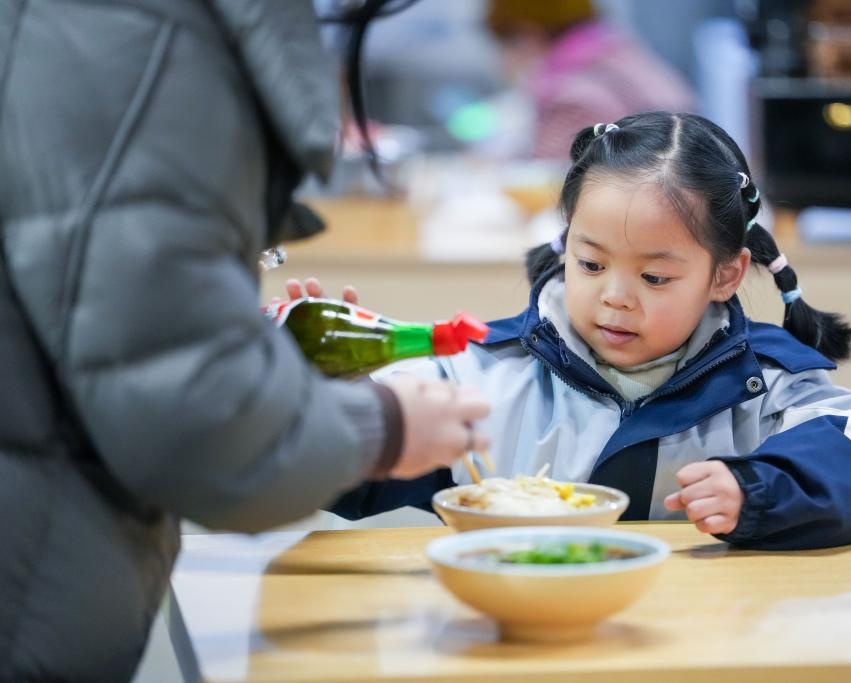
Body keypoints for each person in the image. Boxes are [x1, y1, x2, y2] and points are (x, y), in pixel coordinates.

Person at [0, 0, 487, 679]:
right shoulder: (152, 42)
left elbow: (123, 316)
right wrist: (388, 425)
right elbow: (195, 415)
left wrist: (247, 350)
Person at [331, 111, 851, 550]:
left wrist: (760, 490)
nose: (615, 297)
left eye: (655, 277)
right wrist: (313, 384)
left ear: (725, 275)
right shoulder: (481, 374)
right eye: (590, 265)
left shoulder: (763, 386)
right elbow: (329, 467)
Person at [485, 0, 698, 158]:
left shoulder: (571, 96)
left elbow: (555, 188)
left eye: (506, 44)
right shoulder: (624, 55)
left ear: (528, 33)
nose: (505, 59)